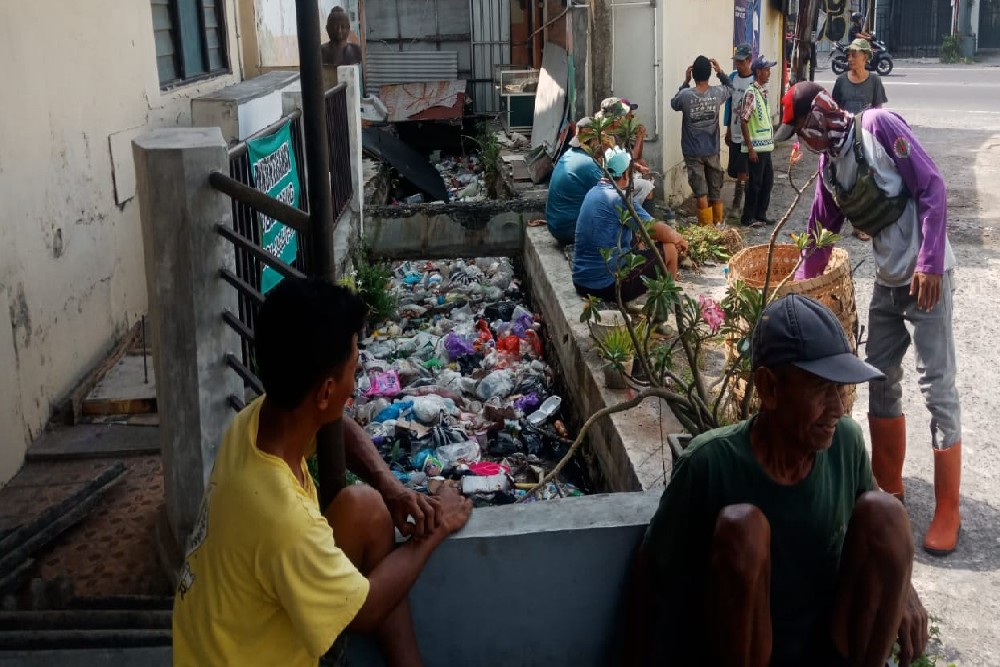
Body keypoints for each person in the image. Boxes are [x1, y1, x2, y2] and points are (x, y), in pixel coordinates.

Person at [172, 277, 473, 666]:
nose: (358, 374)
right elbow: (365, 610)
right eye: (353, 363)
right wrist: (437, 527)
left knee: (365, 506)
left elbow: (337, 426)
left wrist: (389, 485)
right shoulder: (284, 521)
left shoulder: (255, 424)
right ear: (327, 392)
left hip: (219, 640)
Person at [629, 294, 930, 667]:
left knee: (887, 513)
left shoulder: (845, 445)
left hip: (826, 647)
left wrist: (907, 592)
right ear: (769, 388)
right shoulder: (709, 465)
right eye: (821, 389)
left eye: (839, 389)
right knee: (744, 528)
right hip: (744, 651)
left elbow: (881, 542)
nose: (837, 408)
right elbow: (650, 575)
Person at [774, 82, 963, 557]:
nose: (803, 140)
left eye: (802, 129)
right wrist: (792, 293)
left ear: (820, 114)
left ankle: (947, 508)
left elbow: (933, 186)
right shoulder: (829, 171)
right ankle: (889, 485)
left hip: (926, 276)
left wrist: (930, 262)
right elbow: (819, 235)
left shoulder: (878, 128)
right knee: (879, 376)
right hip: (888, 281)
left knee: (936, 386)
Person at [572, 146, 688, 301]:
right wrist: (678, 238)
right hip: (606, 286)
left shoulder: (593, 192)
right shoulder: (618, 198)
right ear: (626, 174)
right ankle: (665, 309)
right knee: (670, 249)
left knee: (635, 240)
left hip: (581, 282)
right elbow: (653, 229)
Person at [832, 37, 889, 240]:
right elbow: (834, 110)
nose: (850, 58)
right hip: (845, 139)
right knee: (842, 182)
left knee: (865, 182)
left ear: (865, 56)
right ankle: (835, 222)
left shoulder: (874, 81)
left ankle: (861, 224)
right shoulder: (841, 82)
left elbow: (879, 112)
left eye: (854, 54)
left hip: (866, 139)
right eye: (848, 54)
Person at [670, 55, 734, 226]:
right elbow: (731, 87)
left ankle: (706, 232)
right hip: (712, 150)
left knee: (701, 193)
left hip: (692, 153)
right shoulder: (717, 93)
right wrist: (720, 72)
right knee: (715, 192)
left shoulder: (685, 95)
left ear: (693, 75)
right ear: (709, 74)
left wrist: (685, 82)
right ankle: (719, 226)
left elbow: (674, 104)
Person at [545, 117, 604, 245]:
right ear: (593, 141)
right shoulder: (588, 165)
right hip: (569, 230)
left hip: (556, 226)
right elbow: (613, 196)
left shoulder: (569, 154)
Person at [739, 55, 778, 229]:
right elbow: (744, 121)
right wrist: (751, 148)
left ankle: (760, 214)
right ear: (758, 72)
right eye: (766, 70)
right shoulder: (751, 93)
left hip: (765, 147)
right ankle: (748, 217)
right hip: (756, 148)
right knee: (754, 184)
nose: (769, 73)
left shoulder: (761, 92)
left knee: (767, 181)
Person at [596, 97, 656, 205]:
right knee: (646, 187)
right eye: (625, 115)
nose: (630, 116)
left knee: (645, 179)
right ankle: (631, 214)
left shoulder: (616, 131)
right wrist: (639, 137)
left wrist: (638, 166)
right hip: (611, 176)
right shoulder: (605, 135)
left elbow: (636, 157)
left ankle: (638, 215)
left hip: (616, 172)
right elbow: (632, 157)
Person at [723, 43, 755, 218]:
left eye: (742, 61)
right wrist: (727, 128)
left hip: (749, 133)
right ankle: (742, 200)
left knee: (743, 169)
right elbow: (729, 104)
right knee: (734, 170)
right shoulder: (733, 77)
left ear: (749, 60)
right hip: (734, 129)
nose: (739, 64)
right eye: (737, 61)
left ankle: (738, 205)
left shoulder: (755, 80)